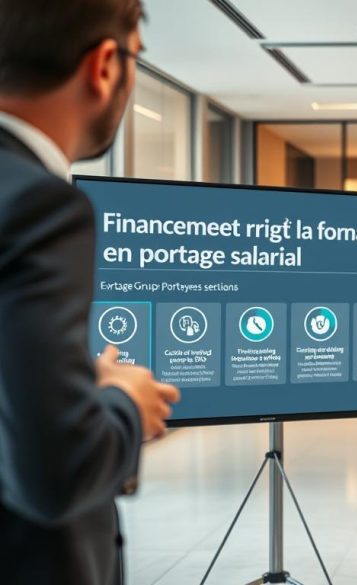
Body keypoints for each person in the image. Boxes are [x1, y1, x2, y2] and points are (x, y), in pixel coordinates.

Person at [0, 1, 181, 583]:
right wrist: (127, 403)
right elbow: (57, 469)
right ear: (105, 65)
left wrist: (70, 383)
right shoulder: (38, 205)